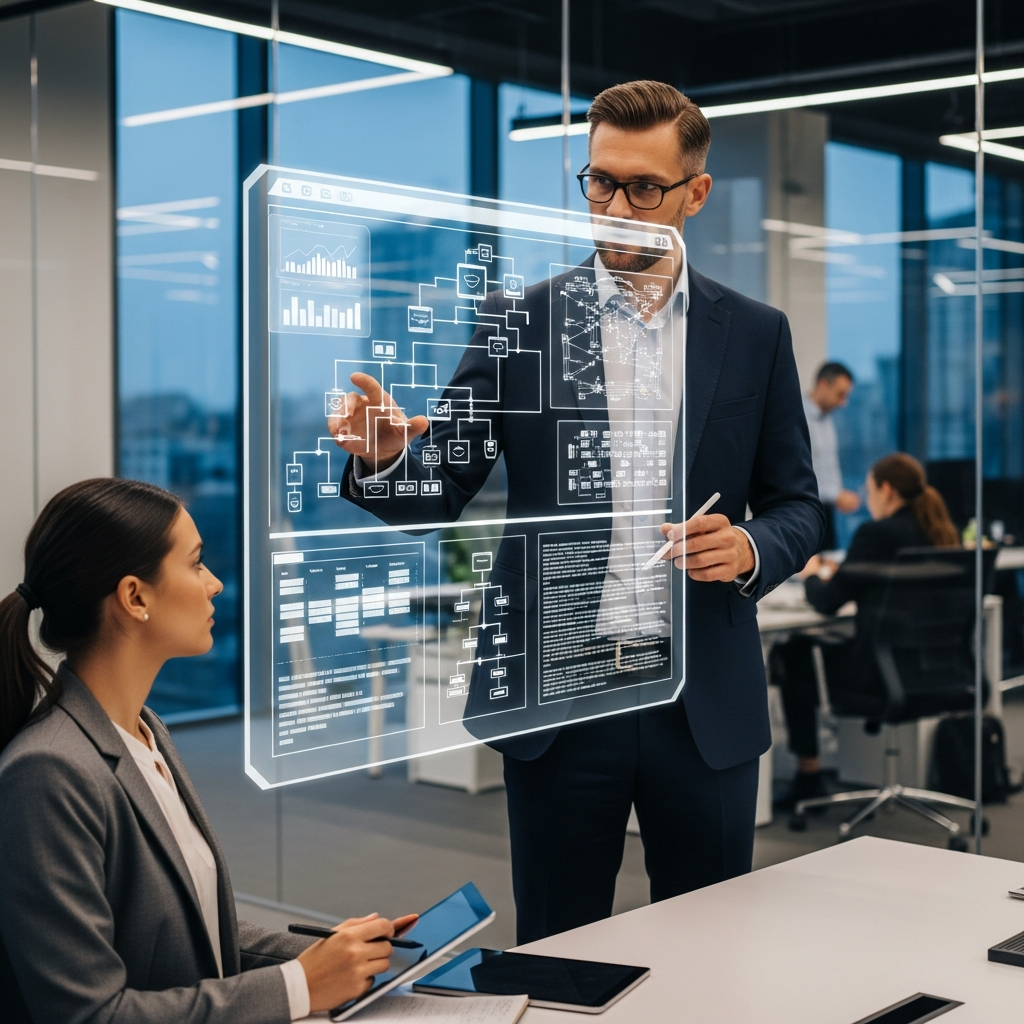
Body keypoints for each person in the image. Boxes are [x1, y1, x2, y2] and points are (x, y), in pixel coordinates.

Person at [330, 81, 823, 944]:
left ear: (696, 193)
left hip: (701, 699)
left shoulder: (754, 333)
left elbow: (798, 506)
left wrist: (750, 546)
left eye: (644, 188)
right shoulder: (518, 322)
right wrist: (383, 460)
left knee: (712, 951)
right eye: (600, 182)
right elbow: (437, 491)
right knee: (559, 950)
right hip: (561, 701)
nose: (616, 207)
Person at [0, 478, 416, 1024]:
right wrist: (299, 985)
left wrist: (334, 956)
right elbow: (91, 1014)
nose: (215, 584)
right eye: (196, 564)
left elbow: (190, 933)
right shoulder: (48, 771)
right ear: (135, 597)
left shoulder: (145, 731)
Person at [770, 453, 960, 809]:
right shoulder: (939, 532)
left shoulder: (876, 534)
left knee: (792, 653)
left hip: (879, 675)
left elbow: (828, 601)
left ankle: (809, 777)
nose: (868, 499)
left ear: (886, 490)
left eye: (869, 490)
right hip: (933, 670)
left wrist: (811, 574)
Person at [803, 362, 861, 550]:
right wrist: (835, 494)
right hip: (802, 512)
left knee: (829, 560)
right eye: (840, 394)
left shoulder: (827, 418)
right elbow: (797, 473)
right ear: (822, 384)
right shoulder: (796, 416)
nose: (843, 402)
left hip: (825, 510)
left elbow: (828, 465)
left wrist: (837, 493)